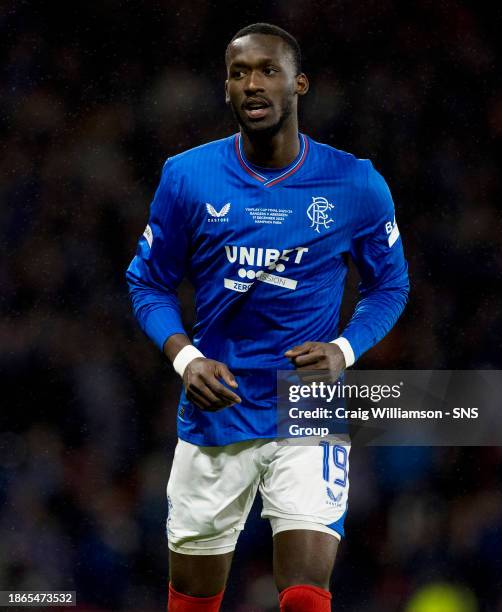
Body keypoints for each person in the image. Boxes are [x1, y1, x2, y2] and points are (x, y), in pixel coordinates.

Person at [126, 22, 409, 612]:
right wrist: (186, 358)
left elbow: (390, 288)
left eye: (267, 71)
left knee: (306, 595)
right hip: (217, 404)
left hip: (305, 402)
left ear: (298, 84)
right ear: (225, 89)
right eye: (238, 73)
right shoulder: (187, 177)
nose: (252, 84)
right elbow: (147, 283)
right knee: (192, 601)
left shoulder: (356, 181)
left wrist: (343, 351)